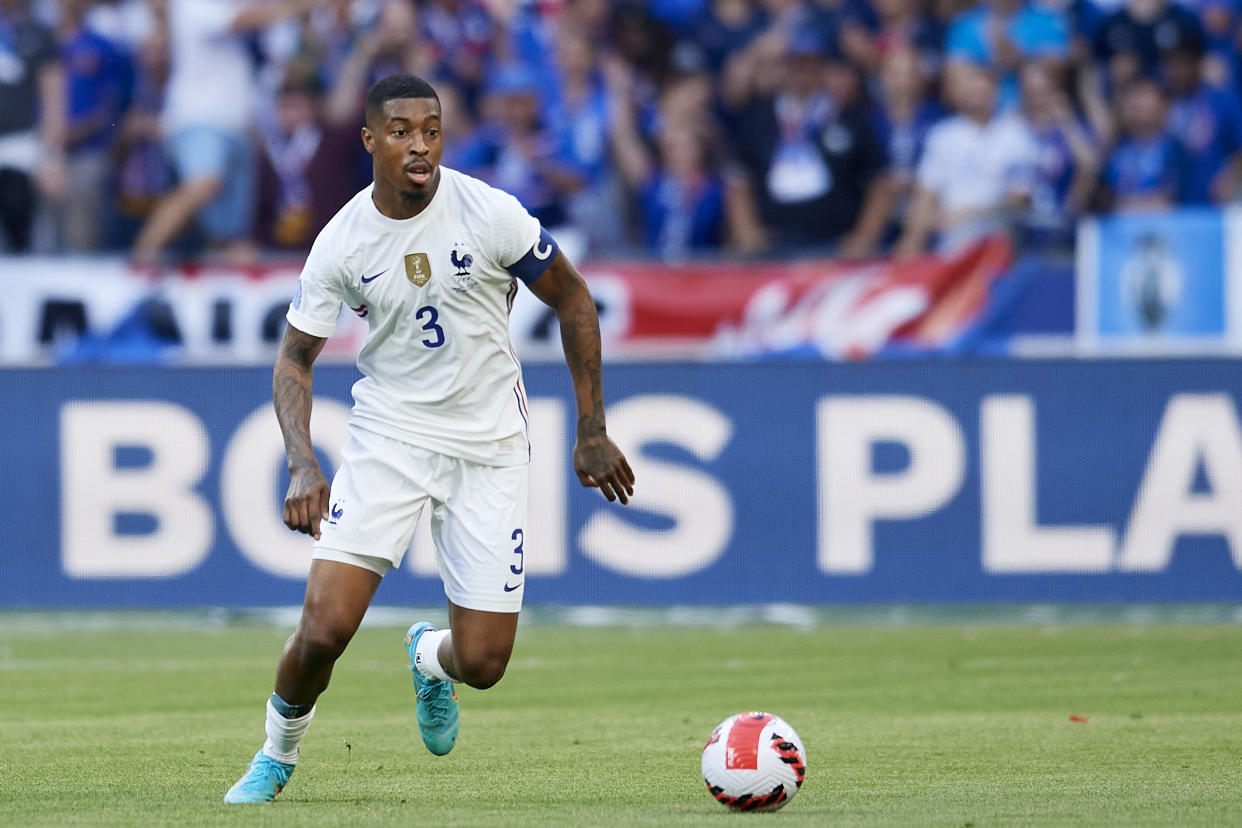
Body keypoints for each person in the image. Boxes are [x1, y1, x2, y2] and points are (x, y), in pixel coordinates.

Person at [223, 74, 635, 804]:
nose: (420, 144)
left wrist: (592, 428)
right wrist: (300, 460)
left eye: (432, 129)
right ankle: (275, 754)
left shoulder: (489, 212)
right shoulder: (344, 241)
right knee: (324, 629)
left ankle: (428, 659)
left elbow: (573, 297)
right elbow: (294, 356)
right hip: (391, 438)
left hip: (489, 445)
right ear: (371, 140)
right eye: (404, 130)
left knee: (483, 663)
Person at [897, 61, 1039, 255]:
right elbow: (926, 193)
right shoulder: (943, 136)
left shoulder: (1017, 134)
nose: (977, 98)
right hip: (951, 249)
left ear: (995, 91)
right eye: (971, 92)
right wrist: (911, 243)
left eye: (982, 91)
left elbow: (1019, 200)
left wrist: (968, 215)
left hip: (1001, 247)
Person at [0, 0, 66, 253]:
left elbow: (54, 96)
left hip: (21, 145)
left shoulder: (37, 32)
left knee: (20, 218)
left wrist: (52, 158)